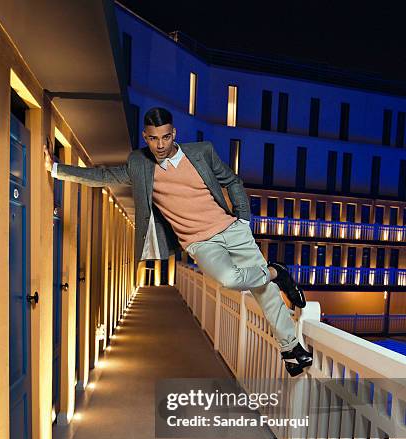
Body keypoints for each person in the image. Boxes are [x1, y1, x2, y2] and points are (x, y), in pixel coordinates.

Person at [43, 106, 312, 377]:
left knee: (264, 292)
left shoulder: (201, 153)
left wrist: (243, 218)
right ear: (145, 137)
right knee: (230, 279)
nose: (160, 145)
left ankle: (291, 349)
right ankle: (277, 272)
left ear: (174, 134)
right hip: (199, 242)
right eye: (152, 138)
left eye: (165, 137)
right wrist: (55, 168)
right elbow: (103, 176)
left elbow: (233, 181)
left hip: (232, 229)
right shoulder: (140, 165)